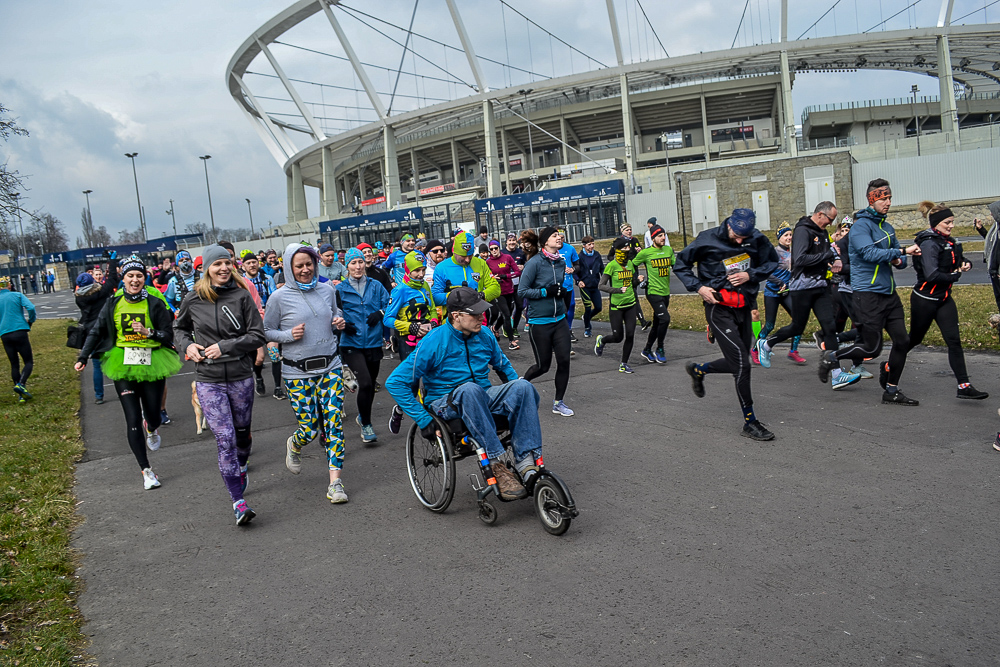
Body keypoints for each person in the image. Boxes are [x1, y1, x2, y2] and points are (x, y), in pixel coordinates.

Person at [385, 287, 543, 501]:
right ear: (456, 316)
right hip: (445, 401)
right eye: (475, 313)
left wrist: (516, 396)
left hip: (482, 394)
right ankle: (496, 464)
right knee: (469, 389)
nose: (482, 317)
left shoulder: (485, 335)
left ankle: (527, 464)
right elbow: (395, 382)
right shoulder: (434, 341)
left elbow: (504, 368)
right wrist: (423, 419)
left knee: (523, 387)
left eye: (482, 312)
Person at [174, 245, 266, 525]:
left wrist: (224, 347)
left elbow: (257, 335)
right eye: (217, 264)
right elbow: (178, 329)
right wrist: (188, 346)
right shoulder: (193, 298)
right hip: (208, 379)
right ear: (207, 269)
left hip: (240, 375)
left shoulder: (241, 296)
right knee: (225, 438)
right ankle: (238, 502)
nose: (224, 268)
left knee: (242, 434)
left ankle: (242, 464)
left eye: (227, 263)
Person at [74, 256, 183, 489]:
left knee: (153, 415)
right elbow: (96, 330)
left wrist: (148, 332)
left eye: (139, 276)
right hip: (123, 363)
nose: (134, 280)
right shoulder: (113, 303)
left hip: (153, 361)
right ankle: (147, 471)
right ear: (123, 279)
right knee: (132, 418)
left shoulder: (154, 302)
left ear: (145, 279)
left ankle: (151, 427)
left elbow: (167, 334)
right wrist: (83, 356)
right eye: (130, 276)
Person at [674, 208, 779, 441]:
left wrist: (750, 275)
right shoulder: (707, 239)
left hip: (743, 306)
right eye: (737, 236)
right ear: (729, 225)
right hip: (718, 308)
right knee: (742, 364)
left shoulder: (756, 238)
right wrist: (699, 288)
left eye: (745, 237)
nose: (741, 241)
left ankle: (699, 370)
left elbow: (772, 262)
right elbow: (680, 264)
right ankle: (750, 422)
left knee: (738, 361)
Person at [264, 243, 350, 503]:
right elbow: (266, 331)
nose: (305, 270)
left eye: (309, 264)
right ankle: (295, 443)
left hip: (330, 367)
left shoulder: (327, 289)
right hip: (297, 372)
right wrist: (288, 335)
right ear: (289, 267)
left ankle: (335, 483)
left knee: (334, 423)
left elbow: (336, 314)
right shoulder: (278, 297)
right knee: (310, 429)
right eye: (299, 266)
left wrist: (339, 321)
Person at [825, 179, 922, 406]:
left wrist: (899, 258)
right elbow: (869, 253)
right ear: (872, 200)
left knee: (902, 340)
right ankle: (831, 356)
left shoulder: (887, 228)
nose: (888, 202)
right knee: (872, 347)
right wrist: (900, 252)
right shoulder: (861, 227)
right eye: (883, 198)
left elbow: (900, 261)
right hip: (866, 293)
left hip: (888, 293)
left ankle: (891, 390)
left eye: (889, 198)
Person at [755, 202, 863, 391]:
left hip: (820, 286)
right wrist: (826, 255)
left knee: (830, 328)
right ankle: (766, 344)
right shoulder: (802, 231)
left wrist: (836, 258)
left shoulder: (823, 232)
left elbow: (830, 251)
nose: (831, 224)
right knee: (797, 326)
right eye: (830, 219)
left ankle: (837, 375)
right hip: (802, 287)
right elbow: (800, 259)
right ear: (820, 215)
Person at [903, 201, 988, 400]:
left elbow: (958, 260)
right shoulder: (929, 243)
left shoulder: (948, 242)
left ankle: (964, 386)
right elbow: (932, 275)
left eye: (952, 222)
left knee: (954, 341)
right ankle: (890, 366)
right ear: (936, 223)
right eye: (947, 222)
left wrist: (965, 264)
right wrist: (955, 276)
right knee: (914, 339)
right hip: (925, 300)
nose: (951, 226)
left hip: (944, 299)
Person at [518, 226, 574, 416]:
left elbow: (556, 287)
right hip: (539, 322)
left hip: (559, 320)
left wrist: (560, 292)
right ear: (545, 242)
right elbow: (522, 291)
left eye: (559, 235)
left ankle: (558, 402)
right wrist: (545, 292)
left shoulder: (561, 262)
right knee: (543, 366)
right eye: (554, 235)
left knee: (564, 361)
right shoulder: (534, 263)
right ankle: (521, 385)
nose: (559, 237)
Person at [337, 248, 391, 443]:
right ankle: (367, 425)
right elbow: (333, 312)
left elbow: (390, 304)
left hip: (374, 342)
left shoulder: (376, 286)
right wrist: (342, 324)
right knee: (366, 382)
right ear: (347, 266)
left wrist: (380, 313)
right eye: (353, 263)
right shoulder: (340, 289)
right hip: (351, 343)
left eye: (360, 262)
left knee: (369, 386)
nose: (358, 266)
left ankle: (362, 417)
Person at [384, 250, 439, 434]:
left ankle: (433, 417)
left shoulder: (425, 285)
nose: (421, 274)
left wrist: (433, 322)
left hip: (428, 337)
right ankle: (399, 411)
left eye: (423, 269)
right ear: (407, 270)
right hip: (407, 340)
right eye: (417, 271)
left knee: (433, 378)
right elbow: (388, 319)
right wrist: (412, 327)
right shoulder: (399, 290)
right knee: (413, 384)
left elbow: (432, 308)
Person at [750, 223, 806, 368]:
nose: (789, 237)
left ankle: (793, 351)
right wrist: (779, 282)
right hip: (772, 293)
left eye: (790, 235)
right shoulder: (773, 253)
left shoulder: (794, 252)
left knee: (798, 320)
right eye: (785, 235)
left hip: (787, 292)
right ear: (779, 237)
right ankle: (755, 350)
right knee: (770, 325)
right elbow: (766, 272)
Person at [75, 254, 120, 404]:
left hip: (90, 332)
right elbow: (112, 279)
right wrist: (112, 261)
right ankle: (122, 390)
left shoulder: (79, 298)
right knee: (114, 360)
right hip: (106, 329)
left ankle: (99, 395)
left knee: (96, 366)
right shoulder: (101, 293)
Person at [240, 250, 283, 399]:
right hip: (252, 323)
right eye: (248, 263)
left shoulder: (267, 278)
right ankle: (258, 378)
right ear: (243, 266)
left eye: (254, 262)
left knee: (274, 355)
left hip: (269, 319)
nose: (252, 265)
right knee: (259, 358)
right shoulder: (241, 283)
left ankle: (278, 387)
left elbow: (274, 296)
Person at [595, 237, 640, 373]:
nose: (628, 250)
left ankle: (624, 364)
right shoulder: (611, 266)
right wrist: (617, 290)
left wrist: (638, 281)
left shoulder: (630, 263)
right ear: (618, 250)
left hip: (631, 304)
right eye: (625, 248)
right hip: (617, 307)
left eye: (628, 247)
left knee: (630, 335)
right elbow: (601, 286)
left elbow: (632, 283)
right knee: (618, 337)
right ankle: (602, 341)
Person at [631, 223, 675, 363]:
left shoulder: (668, 250)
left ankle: (647, 349)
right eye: (660, 236)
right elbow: (631, 265)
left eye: (664, 235)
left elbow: (676, 266)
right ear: (653, 238)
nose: (663, 238)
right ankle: (660, 348)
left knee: (657, 323)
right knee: (665, 319)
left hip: (665, 292)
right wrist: (636, 279)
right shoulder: (646, 253)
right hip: (653, 292)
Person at [431, 231, 501, 309]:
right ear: (454, 252)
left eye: (470, 256)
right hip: (453, 313)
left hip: (477, 312)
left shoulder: (481, 263)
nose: (467, 260)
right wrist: (456, 297)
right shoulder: (441, 268)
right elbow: (435, 296)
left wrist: (480, 295)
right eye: (463, 256)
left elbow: (495, 288)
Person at [0, 275, 36, 403]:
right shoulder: (17, 295)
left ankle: (21, 395)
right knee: (28, 361)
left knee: (14, 364)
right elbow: (31, 308)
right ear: (9, 285)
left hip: (5, 333)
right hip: (20, 331)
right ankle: (21, 384)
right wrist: (30, 321)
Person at [484, 239, 520, 350]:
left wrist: (506, 276)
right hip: (498, 292)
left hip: (509, 290)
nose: (494, 251)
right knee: (507, 315)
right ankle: (511, 341)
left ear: (499, 248)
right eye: (491, 249)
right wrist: (493, 278)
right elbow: (487, 276)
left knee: (508, 312)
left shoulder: (507, 258)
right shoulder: (488, 262)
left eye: (496, 248)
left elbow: (517, 272)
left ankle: (495, 328)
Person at [974, 200, 1000, 313]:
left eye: (993, 211)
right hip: (994, 271)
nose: (991, 214)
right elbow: (991, 242)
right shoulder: (996, 227)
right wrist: (981, 229)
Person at [577, 236, 604, 338]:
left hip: (595, 285)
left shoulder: (597, 255)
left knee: (598, 307)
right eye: (589, 244)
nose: (592, 246)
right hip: (585, 286)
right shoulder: (579, 256)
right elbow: (575, 271)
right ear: (584, 246)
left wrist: (603, 278)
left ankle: (586, 317)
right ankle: (587, 328)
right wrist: (578, 281)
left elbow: (602, 268)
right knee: (588, 308)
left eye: (593, 244)